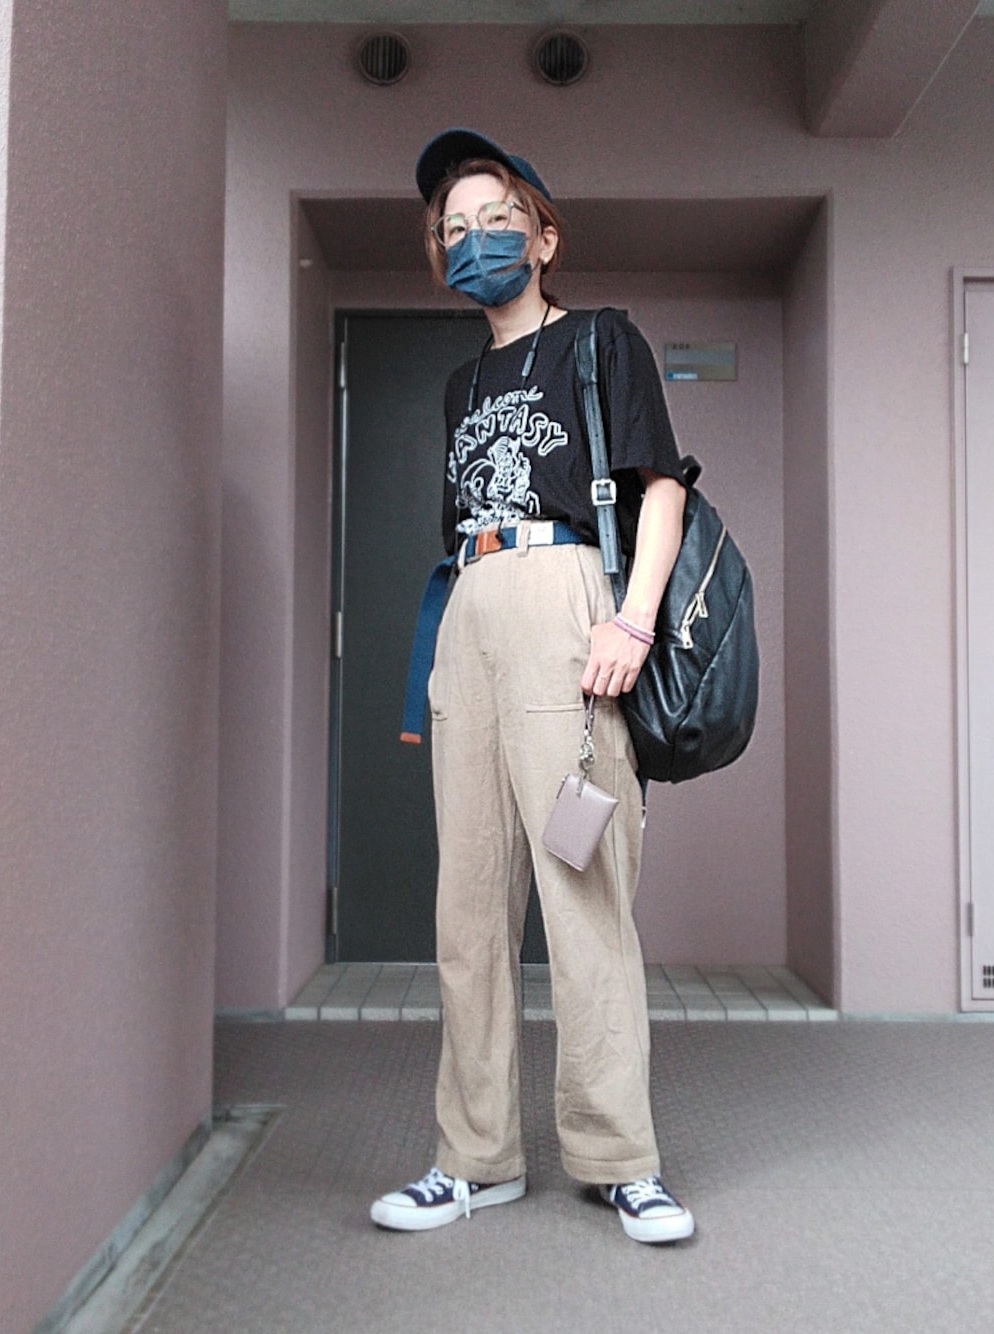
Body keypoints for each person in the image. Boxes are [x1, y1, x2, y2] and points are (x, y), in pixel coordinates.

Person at [370, 129, 693, 1245]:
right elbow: (456, 533)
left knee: (582, 887)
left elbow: (661, 490)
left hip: (568, 605)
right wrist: (442, 665)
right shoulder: (460, 383)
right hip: (470, 613)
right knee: (467, 911)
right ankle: (474, 1158)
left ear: (543, 236)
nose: (475, 240)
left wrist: (630, 620)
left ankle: (620, 1159)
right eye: (452, 229)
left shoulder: (601, 341)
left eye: (495, 220)